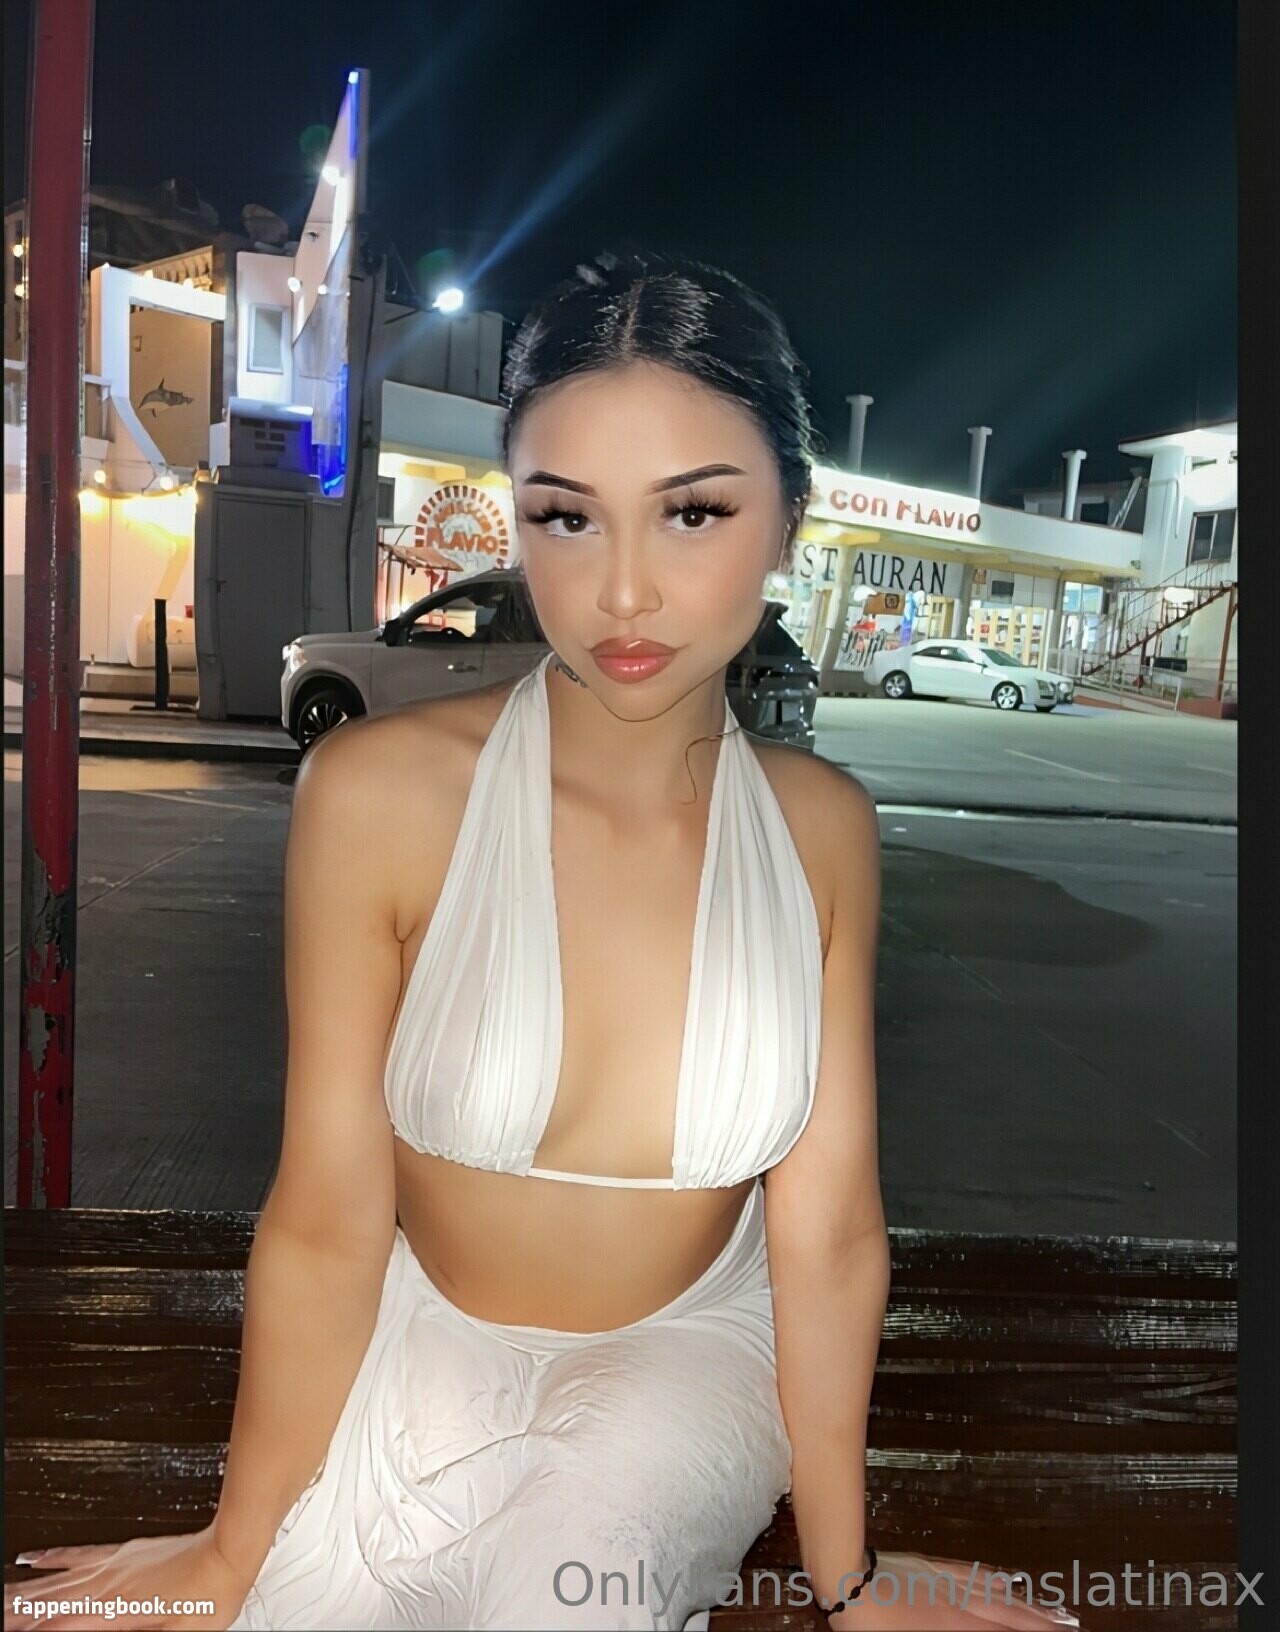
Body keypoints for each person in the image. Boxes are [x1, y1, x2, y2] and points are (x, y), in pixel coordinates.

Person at [4, 252, 1081, 1632]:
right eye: (567, 517)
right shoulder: (376, 795)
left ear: (789, 522)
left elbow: (826, 1233)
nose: (622, 591)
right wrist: (231, 1553)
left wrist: (848, 1578)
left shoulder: (821, 831)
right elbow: (329, 1215)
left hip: (689, 1353)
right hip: (416, 1329)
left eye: (693, 512)